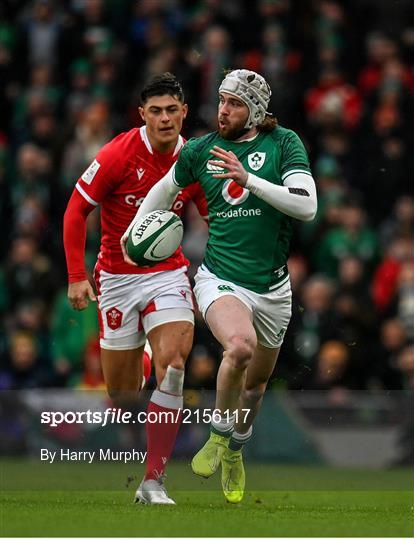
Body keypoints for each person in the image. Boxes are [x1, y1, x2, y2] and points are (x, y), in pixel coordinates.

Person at [122, 69, 317, 503]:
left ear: (256, 110)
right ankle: (219, 432)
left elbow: (306, 207)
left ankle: (235, 448)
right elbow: (162, 190)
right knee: (239, 347)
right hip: (220, 278)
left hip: (274, 289)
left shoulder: (284, 143)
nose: (222, 110)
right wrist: (133, 233)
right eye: (222, 100)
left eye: (234, 103)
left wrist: (249, 179)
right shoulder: (200, 149)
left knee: (256, 386)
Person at [63, 73, 207, 505]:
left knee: (176, 365)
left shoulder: (194, 159)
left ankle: (154, 481)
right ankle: (142, 356)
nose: (165, 119)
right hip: (117, 278)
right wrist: (75, 275)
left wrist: (219, 278)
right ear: (143, 115)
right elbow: (75, 211)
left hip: (168, 274)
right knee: (123, 395)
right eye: (156, 111)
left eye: (172, 110)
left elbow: (214, 217)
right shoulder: (117, 154)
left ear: (184, 112)